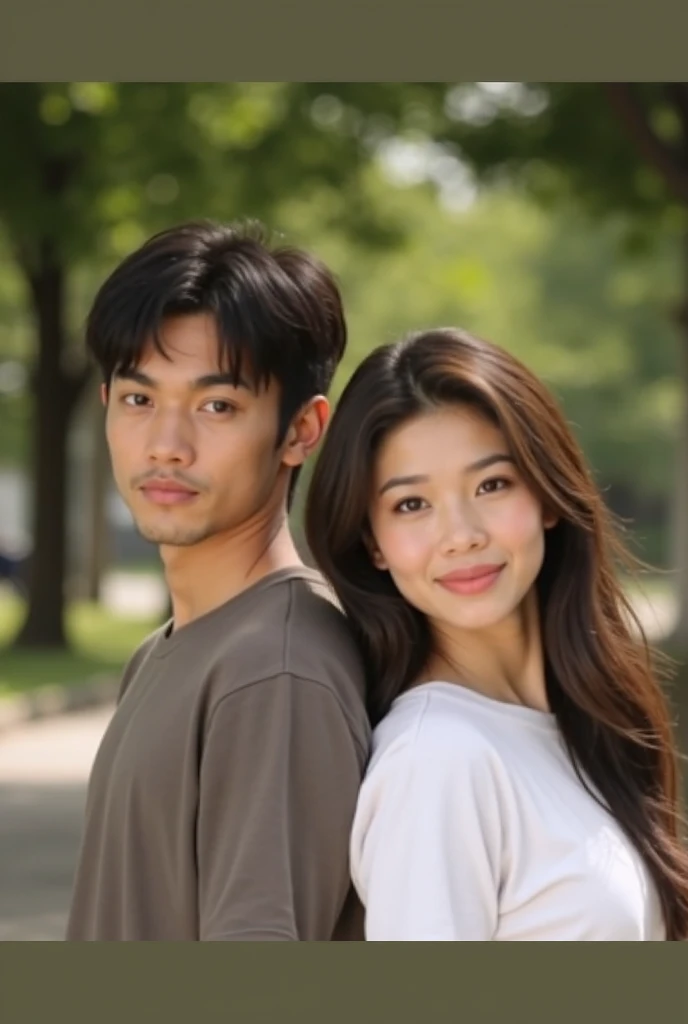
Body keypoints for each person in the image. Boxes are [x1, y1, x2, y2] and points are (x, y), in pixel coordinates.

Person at [305, 326, 688, 941]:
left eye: (491, 485)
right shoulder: (436, 762)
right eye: (411, 504)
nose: (461, 534)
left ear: (547, 496)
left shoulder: (581, 725)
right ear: (372, 542)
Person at [66, 220, 370, 941]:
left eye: (217, 406)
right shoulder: (174, 649)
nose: (167, 446)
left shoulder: (275, 670)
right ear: (108, 407)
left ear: (301, 431)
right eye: (141, 399)